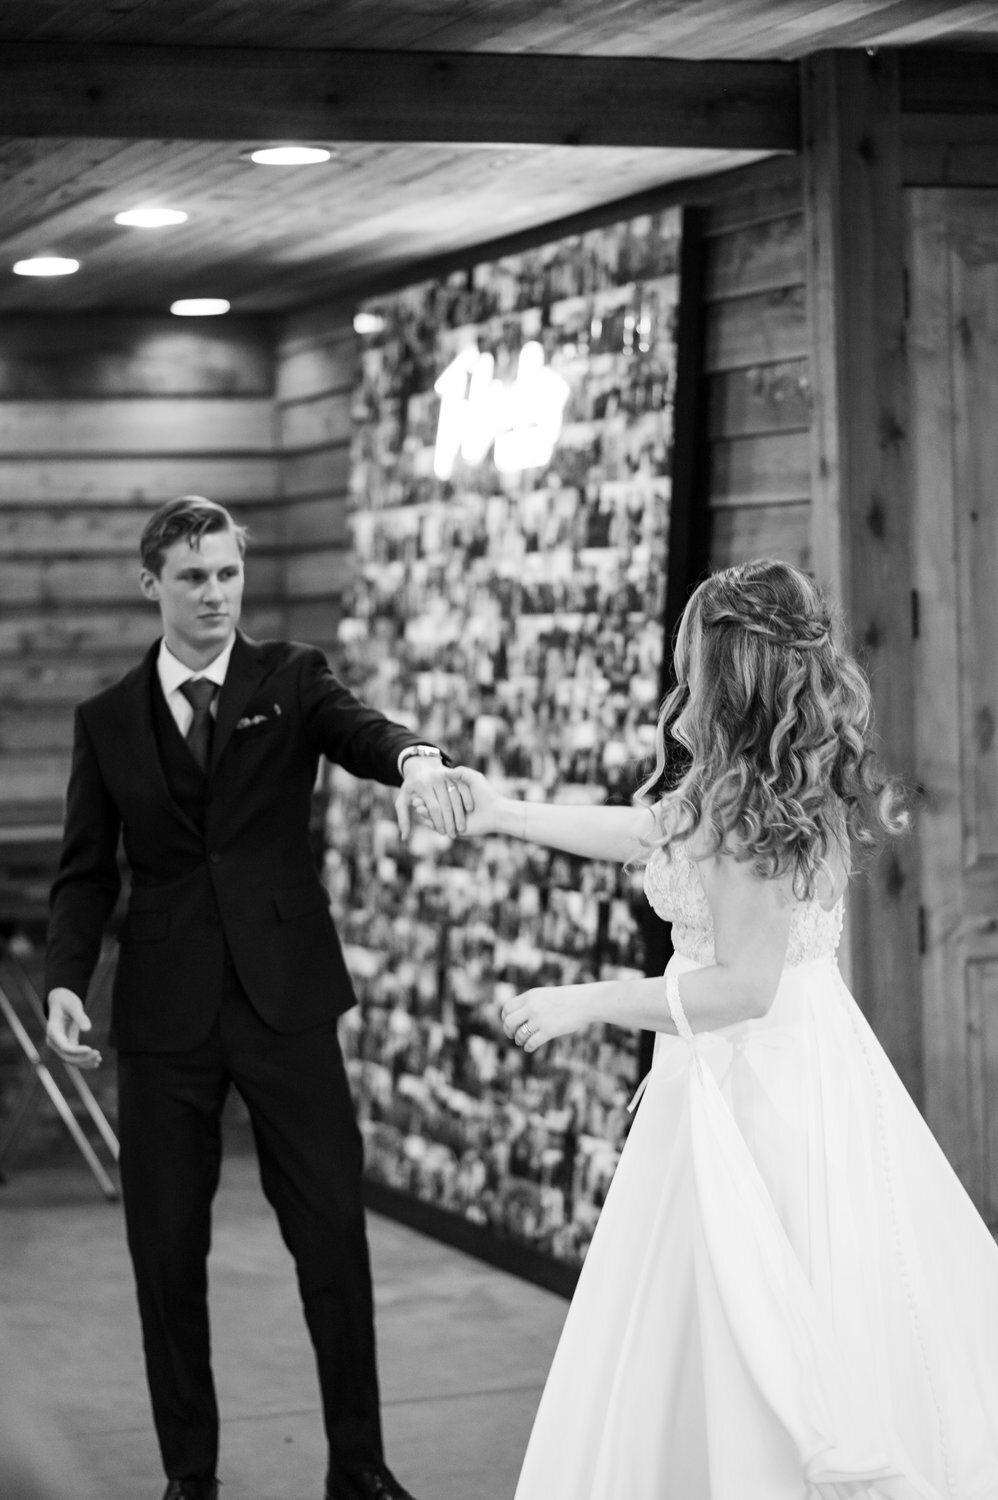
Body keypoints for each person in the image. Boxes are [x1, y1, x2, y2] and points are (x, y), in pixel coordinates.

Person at [398, 559, 998, 1499]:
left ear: (727, 668)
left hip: (762, 1090)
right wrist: (501, 813)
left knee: (754, 1310)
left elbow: (743, 990)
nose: (682, 668)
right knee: (709, 1312)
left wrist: (587, 1001)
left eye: (693, 652)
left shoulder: (758, 806)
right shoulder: (753, 780)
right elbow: (649, 832)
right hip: (758, 1067)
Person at [44, 495, 472, 1500]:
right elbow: (83, 875)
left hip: (288, 1004)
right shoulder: (105, 722)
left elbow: (362, 730)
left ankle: (358, 1469)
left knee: (331, 1236)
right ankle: (189, 1477)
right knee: (165, 1253)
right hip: (162, 1020)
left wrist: (415, 757)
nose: (214, 594)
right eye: (192, 577)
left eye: (227, 573)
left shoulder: (292, 677)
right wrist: (66, 982)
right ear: (150, 583)